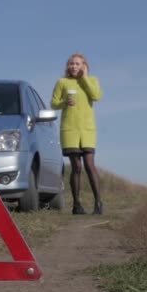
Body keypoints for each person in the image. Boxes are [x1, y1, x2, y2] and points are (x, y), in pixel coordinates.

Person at [50, 53, 103, 215]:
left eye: (78, 64)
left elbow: (96, 96)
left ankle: (98, 203)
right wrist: (64, 102)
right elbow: (53, 103)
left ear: (84, 66)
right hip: (70, 130)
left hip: (87, 130)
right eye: (71, 64)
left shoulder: (92, 81)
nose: (74, 66)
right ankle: (77, 205)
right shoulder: (62, 82)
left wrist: (85, 77)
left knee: (89, 164)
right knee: (76, 167)